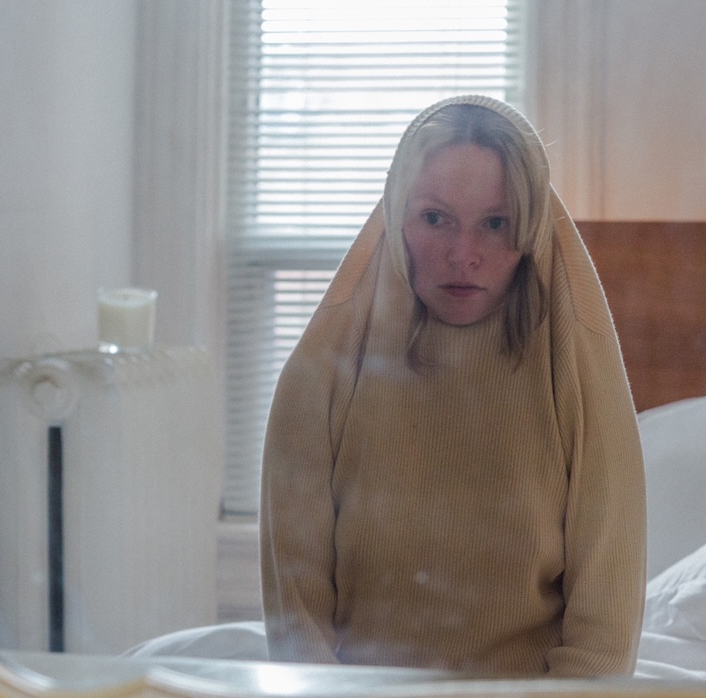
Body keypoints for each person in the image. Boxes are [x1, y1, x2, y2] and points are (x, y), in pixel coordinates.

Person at [259, 94, 646, 677]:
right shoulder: (320, 377)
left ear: (532, 231)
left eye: (496, 223)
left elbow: (604, 631)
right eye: (435, 218)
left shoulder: (578, 375)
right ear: (396, 218)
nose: (463, 255)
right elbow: (300, 626)